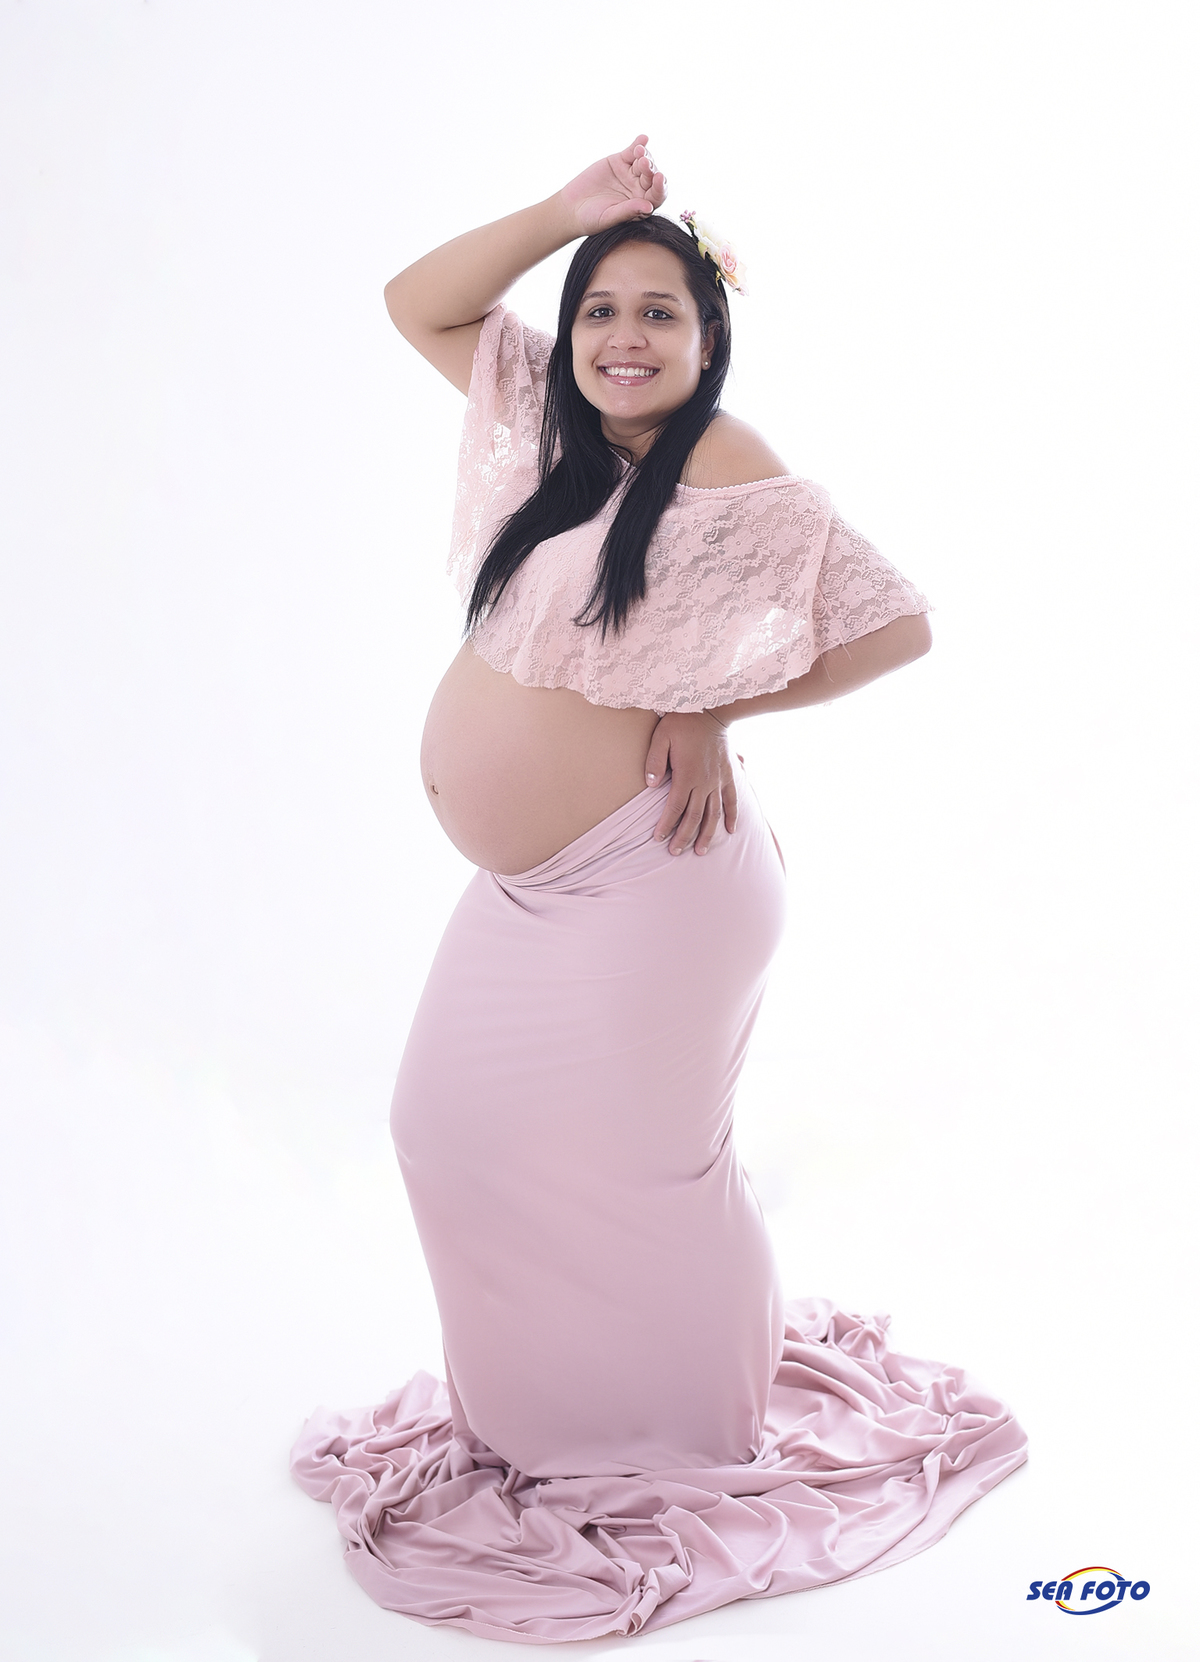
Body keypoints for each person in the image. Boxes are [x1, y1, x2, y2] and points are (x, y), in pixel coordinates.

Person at [290, 137, 1027, 1643]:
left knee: (649, 1172)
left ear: (708, 338)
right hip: (540, 892)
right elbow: (417, 302)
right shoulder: (548, 433)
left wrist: (716, 704)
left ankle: (696, 1429)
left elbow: (897, 626)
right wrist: (569, 214)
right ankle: (548, 1419)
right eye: (602, 310)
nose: (625, 338)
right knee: (443, 1125)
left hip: (657, 876)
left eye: (660, 314)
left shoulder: (724, 462)